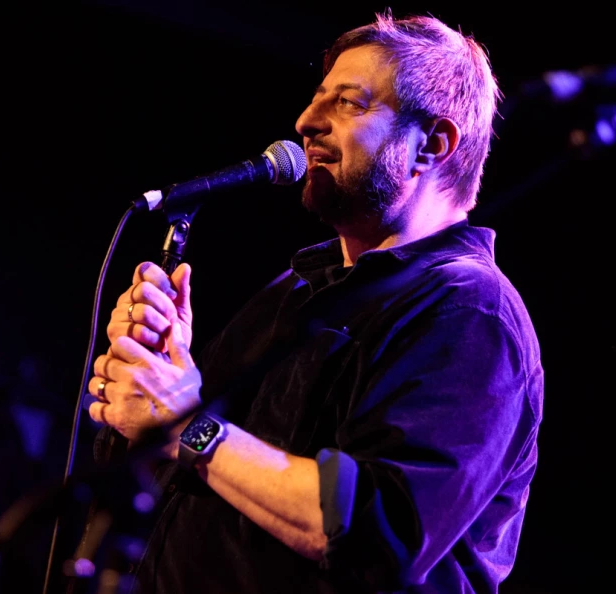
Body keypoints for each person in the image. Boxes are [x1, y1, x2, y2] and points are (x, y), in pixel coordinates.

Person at [86, 11, 544, 594]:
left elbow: (377, 529)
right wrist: (149, 389)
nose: (306, 122)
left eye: (349, 104)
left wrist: (189, 426)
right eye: (316, 99)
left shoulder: (469, 314)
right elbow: (191, 478)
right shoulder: (299, 288)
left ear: (431, 144)